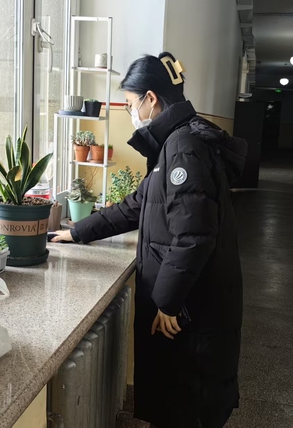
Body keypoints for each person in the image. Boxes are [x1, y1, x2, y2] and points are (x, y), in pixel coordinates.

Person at [52, 52, 247, 428]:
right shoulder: (176, 142)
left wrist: (168, 302)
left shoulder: (183, 148)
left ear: (151, 98)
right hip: (191, 296)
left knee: (186, 400)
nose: (130, 112)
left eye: (130, 104)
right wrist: (77, 231)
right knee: (176, 396)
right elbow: (136, 205)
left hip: (191, 305)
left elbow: (194, 235)